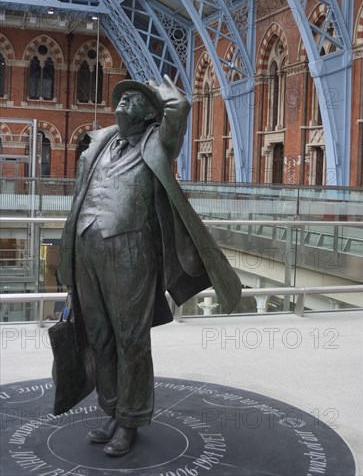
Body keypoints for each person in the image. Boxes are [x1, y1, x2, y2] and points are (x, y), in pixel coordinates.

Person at [57, 75, 241, 456]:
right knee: (100, 337)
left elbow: (180, 107)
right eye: (122, 99)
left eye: (134, 100)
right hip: (86, 249)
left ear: (148, 115)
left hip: (132, 253)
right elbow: (79, 198)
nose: (123, 103)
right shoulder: (100, 143)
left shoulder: (158, 142)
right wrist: (68, 256)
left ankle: (131, 419)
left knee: (131, 341)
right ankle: (110, 410)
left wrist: (160, 92)